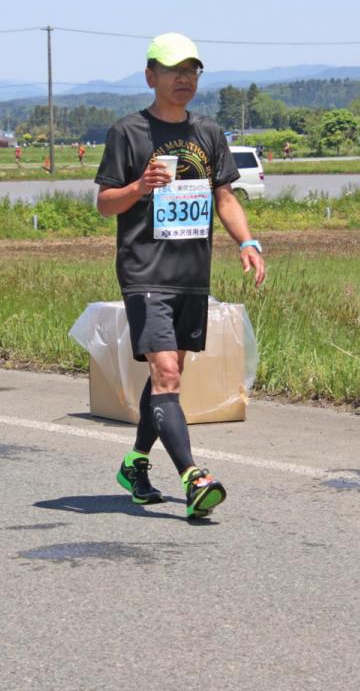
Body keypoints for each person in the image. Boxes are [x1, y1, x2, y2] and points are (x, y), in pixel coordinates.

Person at [95, 33, 266, 520]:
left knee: (168, 376)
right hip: (144, 270)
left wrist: (248, 244)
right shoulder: (128, 132)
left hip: (191, 272)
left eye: (191, 70)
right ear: (151, 76)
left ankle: (134, 463)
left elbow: (225, 198)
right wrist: (137, 186)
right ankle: (194, 476)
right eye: (173, 71)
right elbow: (105, 203)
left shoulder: (208, 133)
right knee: (167, 373)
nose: (183, 79)